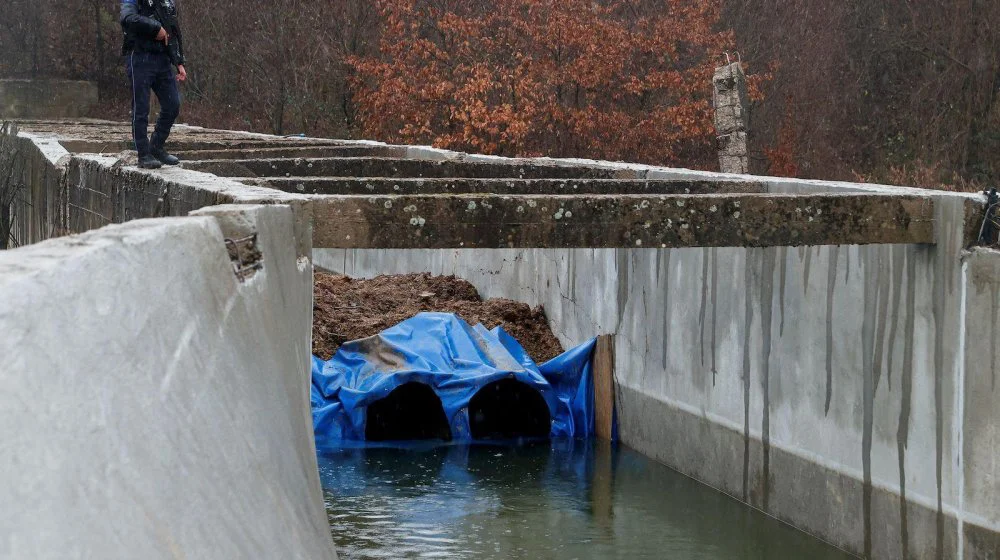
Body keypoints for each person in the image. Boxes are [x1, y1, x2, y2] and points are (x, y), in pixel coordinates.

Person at [120, 0, 187, 169]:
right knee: (141, 108)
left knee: (172, 105)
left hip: (162, 59)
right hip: (139, 56)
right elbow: (128, 18)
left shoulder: (166, 2)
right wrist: (154, 28)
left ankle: (156, 146)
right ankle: (143, 154)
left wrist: (178, 61)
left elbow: (172, 30)